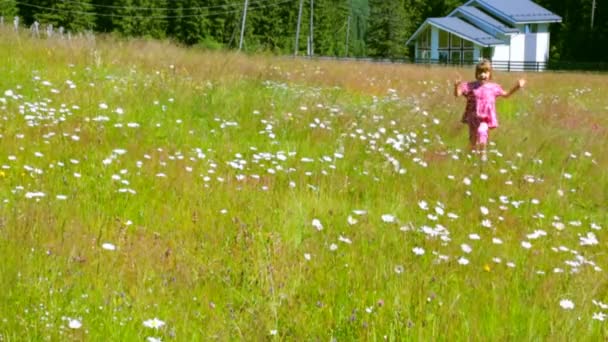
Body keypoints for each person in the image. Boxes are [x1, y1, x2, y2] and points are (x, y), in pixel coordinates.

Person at [454, 59, 526, 161]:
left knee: (482, 131)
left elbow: (506, 94)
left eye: (485, 72)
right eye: (480, 72)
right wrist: (456, 85)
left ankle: (483, 154)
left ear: (490, 74)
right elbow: (457, 94)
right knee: (473, 141)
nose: (482, 75)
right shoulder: (470, 86)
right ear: (476, 73)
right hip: (473, 118)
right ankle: (468, 158)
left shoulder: (494, 88)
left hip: (485, 118)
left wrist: (517, 87)